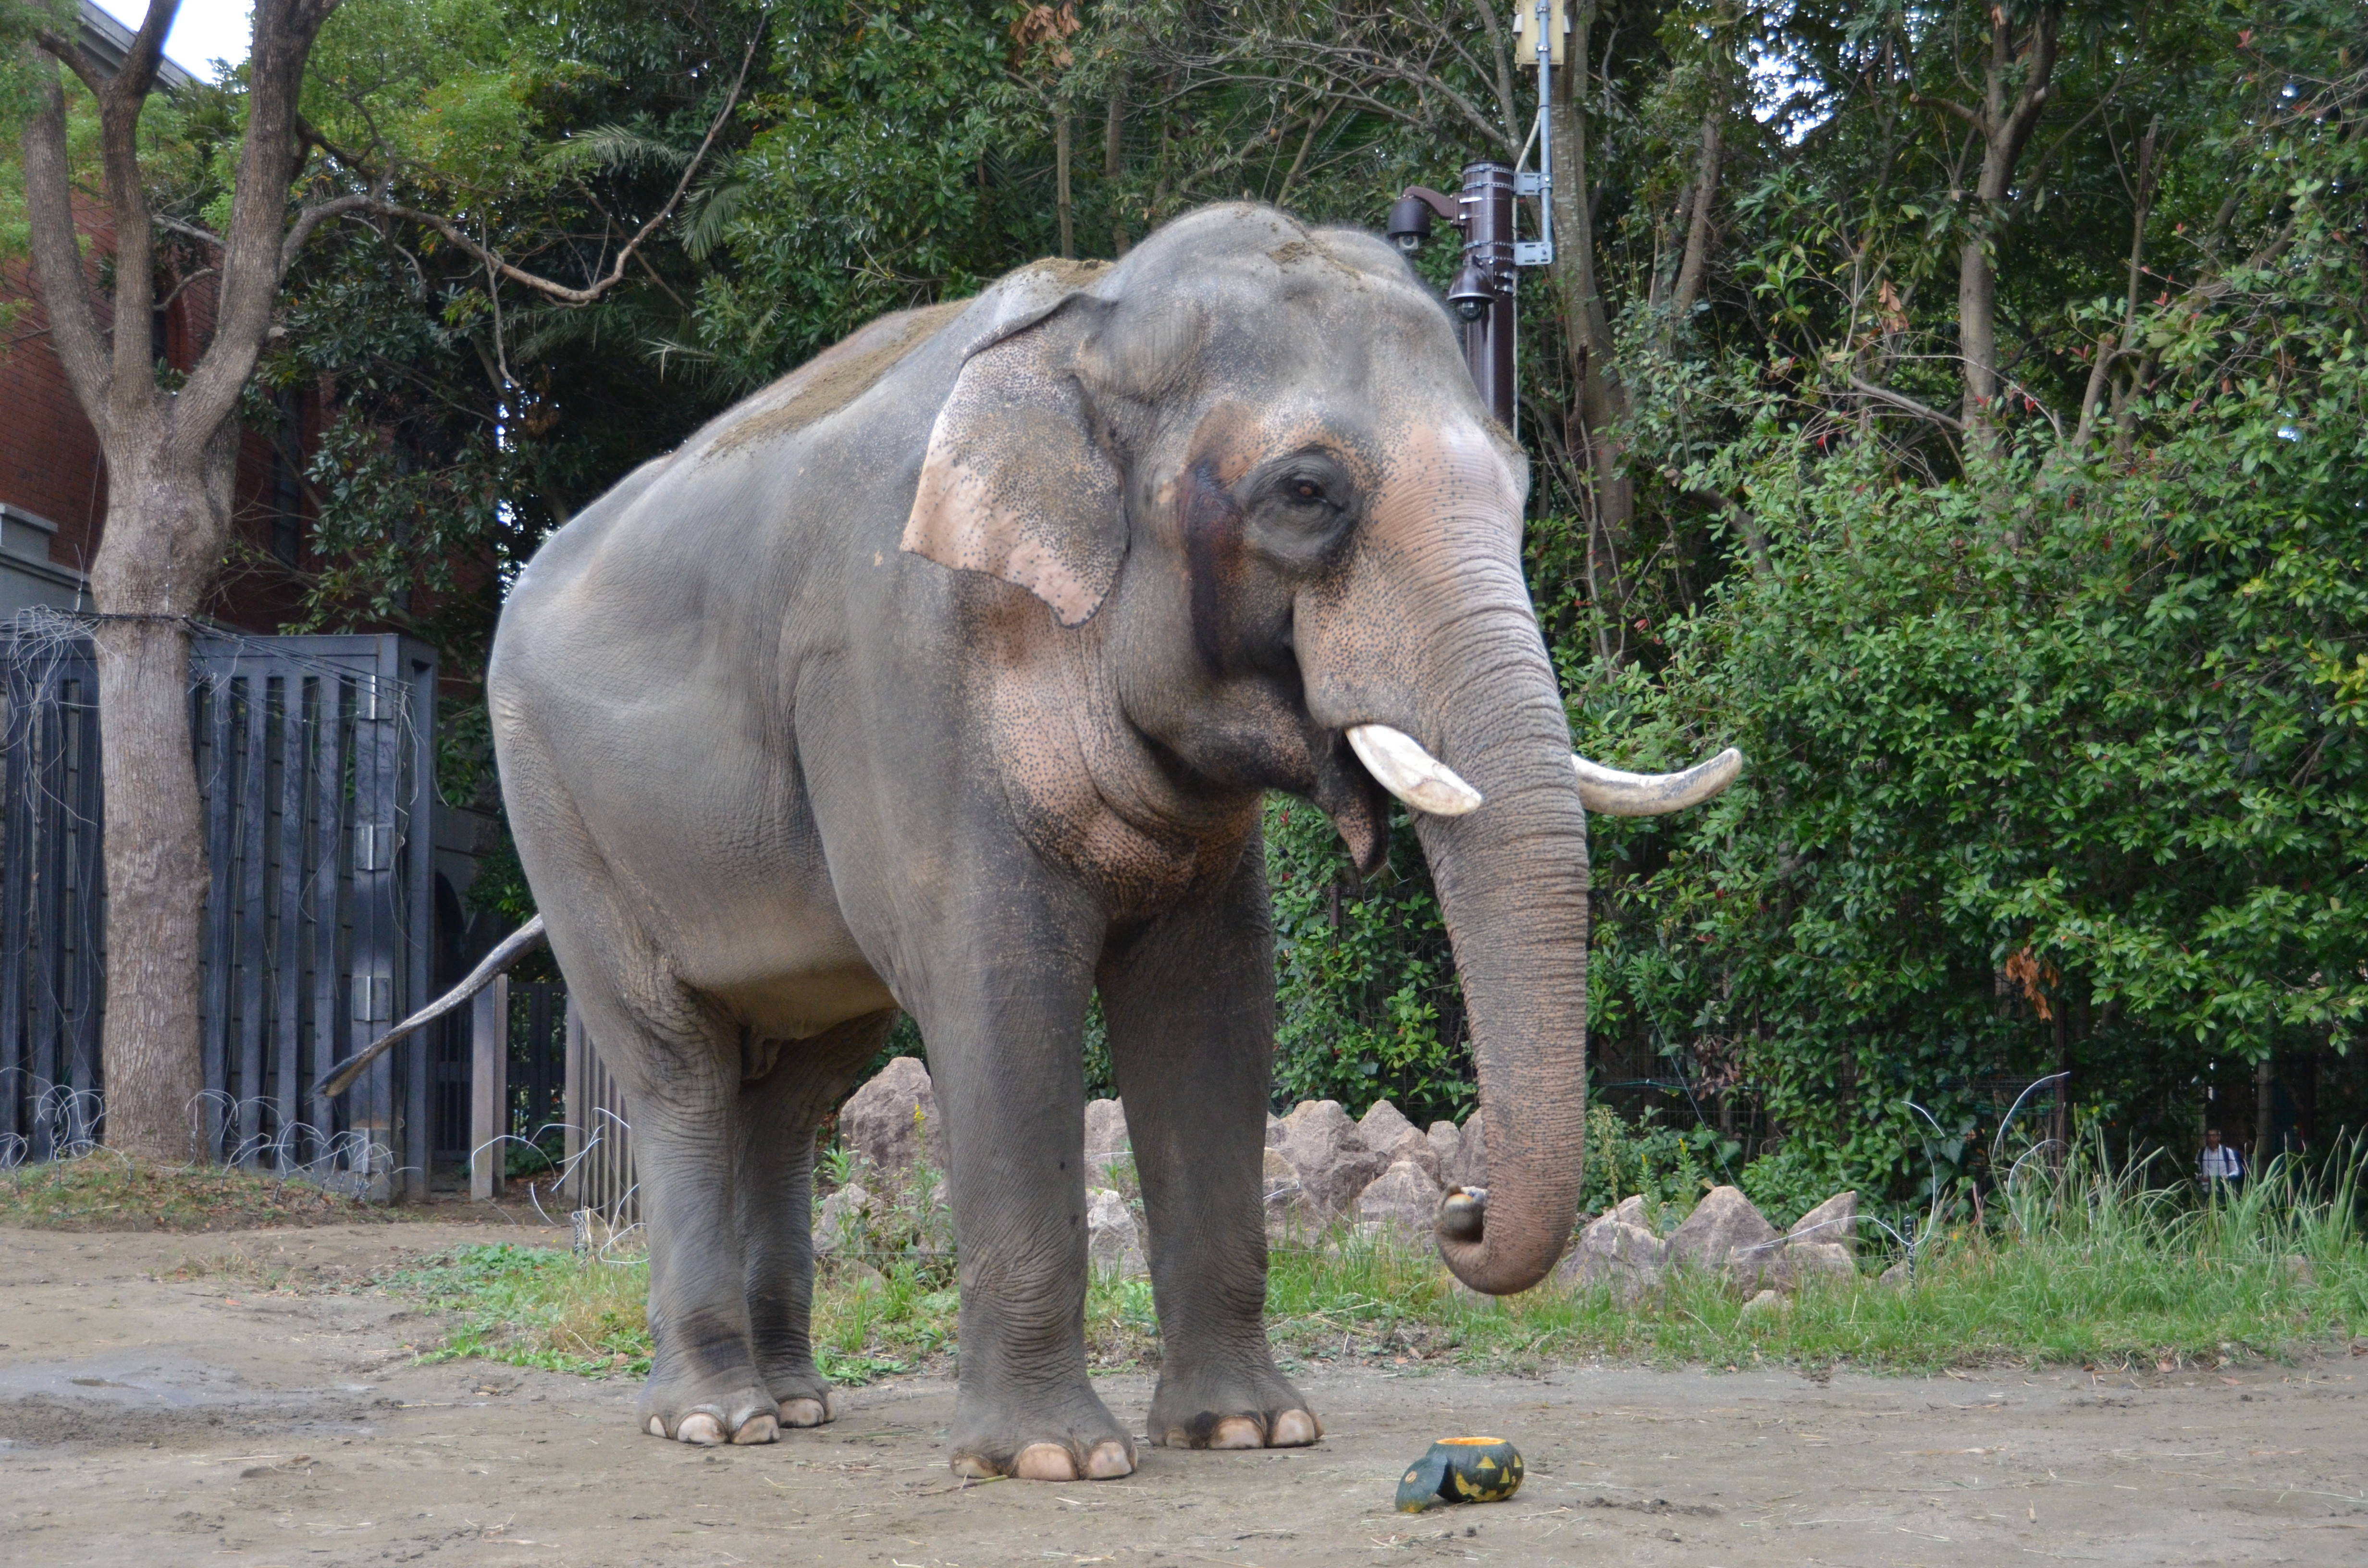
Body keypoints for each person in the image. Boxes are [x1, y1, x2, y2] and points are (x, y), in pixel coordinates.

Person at [2198, 1127, 2244, 1192]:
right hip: (2205, 1190)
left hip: (2223, 1190)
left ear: (2219, 1137)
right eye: (2209, 1137)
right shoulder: (2201, 1152)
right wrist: (2201, 1177)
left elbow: (2236, 1171)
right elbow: (2196, 1170)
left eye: (2214, 1137)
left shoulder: (2227, 1152)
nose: (2211, 1139)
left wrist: (2227, 1177)